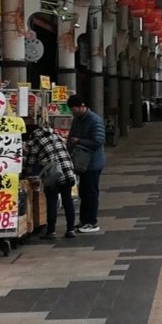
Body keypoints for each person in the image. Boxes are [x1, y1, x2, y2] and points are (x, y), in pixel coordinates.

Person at [23, 113, 77, 240]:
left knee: (51, 201)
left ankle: (51, 231)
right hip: (68, 171)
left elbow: (31, 160)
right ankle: (70, 229)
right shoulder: (55, 135)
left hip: (54, 174)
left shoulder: (36, 140)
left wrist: (26, 172)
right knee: (67, 200)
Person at [66, 94, 105, 233]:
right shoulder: (77, 119)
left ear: (82, 106)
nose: (73, 112)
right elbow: (72, 135)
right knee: (83, 192)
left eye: (74, 109)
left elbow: (98, 141)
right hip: (82, 163)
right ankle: (84, 220)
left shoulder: (95, 120)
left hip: (93, 163)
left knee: (91, 192)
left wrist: (79, 141)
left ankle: (92, 222)